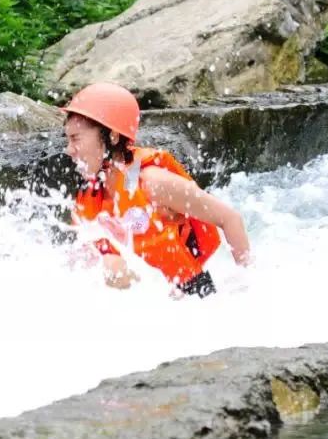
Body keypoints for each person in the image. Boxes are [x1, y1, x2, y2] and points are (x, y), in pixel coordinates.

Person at [60, 82, 250, 297]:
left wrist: (248, 285)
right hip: (145, 304)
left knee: (113, 268)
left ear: (112, 136)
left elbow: (230, 218)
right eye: (67, 139)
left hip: (193, 299)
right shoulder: (93, 192)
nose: (69, 150)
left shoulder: (152, 182)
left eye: (75, 138)